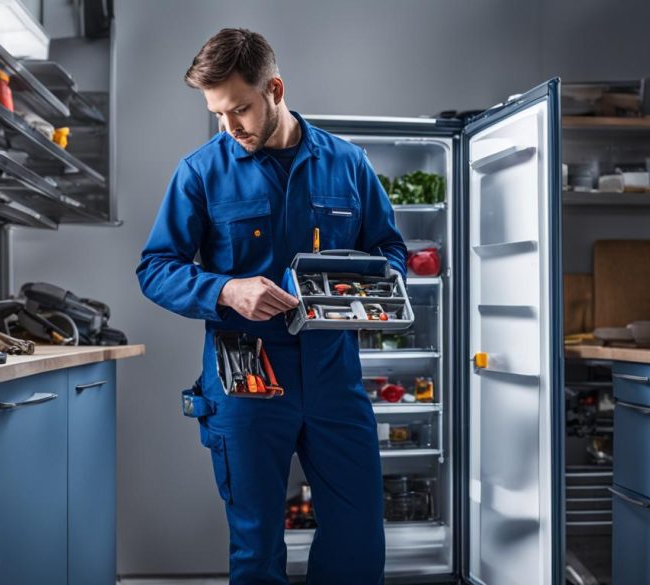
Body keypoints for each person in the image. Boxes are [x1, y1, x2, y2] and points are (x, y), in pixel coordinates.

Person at [137, 28, 406, 585]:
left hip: (333, 373)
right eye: (217, 114)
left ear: (275, 89)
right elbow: (155, 267)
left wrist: (370, 288)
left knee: (358, 541)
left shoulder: (348, 164)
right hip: (246, 376)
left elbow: (389, 250)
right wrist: (226, 290)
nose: (230, 127)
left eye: (240, 109)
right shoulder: (200, 172)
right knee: (257, 547)